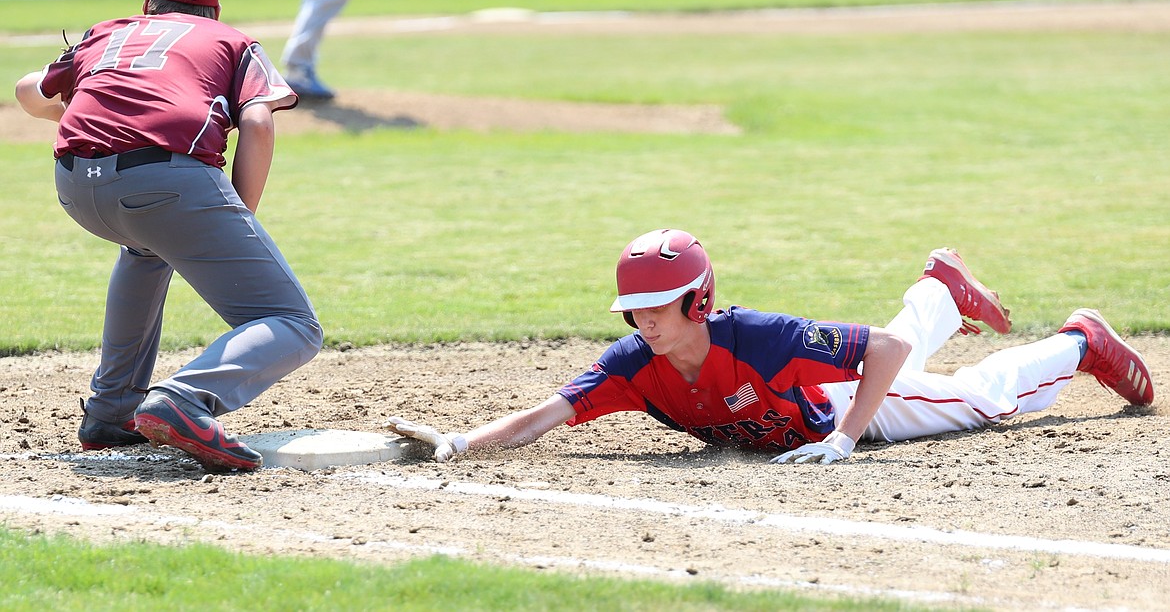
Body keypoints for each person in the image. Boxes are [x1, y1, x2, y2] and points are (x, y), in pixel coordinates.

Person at [386, 229, 1154, 465]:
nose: (643, 323)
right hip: (827, 406)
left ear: (699, 301)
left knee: (979, 399)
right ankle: (942, 290)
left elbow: (879, 352)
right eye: (633, 310)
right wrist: (456, 441)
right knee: (910, 356)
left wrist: (849, 437)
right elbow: (543, 415)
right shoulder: (634, 366)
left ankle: (1078, 343)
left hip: (847, 409)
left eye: (657, 307)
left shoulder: (757, 336)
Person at [14, 0, 323, 473]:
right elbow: (259, 123)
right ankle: (186, 399)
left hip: (74, 184)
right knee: (293, 322)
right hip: (164, 181)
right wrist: (238, 216)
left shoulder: (109, 30)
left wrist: (80, 110)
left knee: (147, 248)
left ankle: (113, 411)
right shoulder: (231, 41)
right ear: (214, 8)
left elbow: (27, 90)